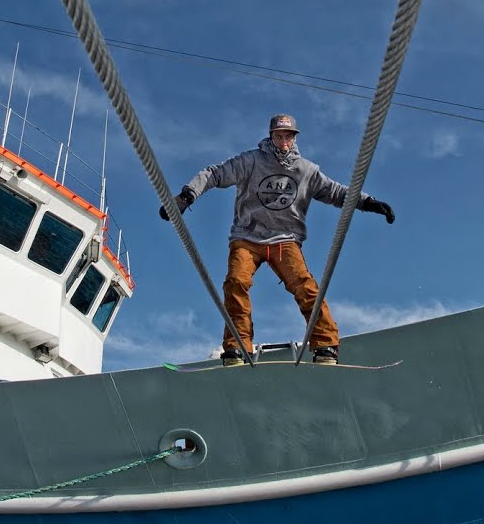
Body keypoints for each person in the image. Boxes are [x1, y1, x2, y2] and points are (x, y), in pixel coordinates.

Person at [159, 113, 395, 366]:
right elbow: (215, 173)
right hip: (247, 237)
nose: (283, 142)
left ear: (294, 139)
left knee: (304, 285)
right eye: (279, 136)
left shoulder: (306, 170)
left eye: (288, 137)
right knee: (236, 282)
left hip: (284, 240)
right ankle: (238, 345)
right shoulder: (251, 161)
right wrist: (187, 196)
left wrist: (368, 203)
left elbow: (335, 192)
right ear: (271, 137)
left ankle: (325, 344)